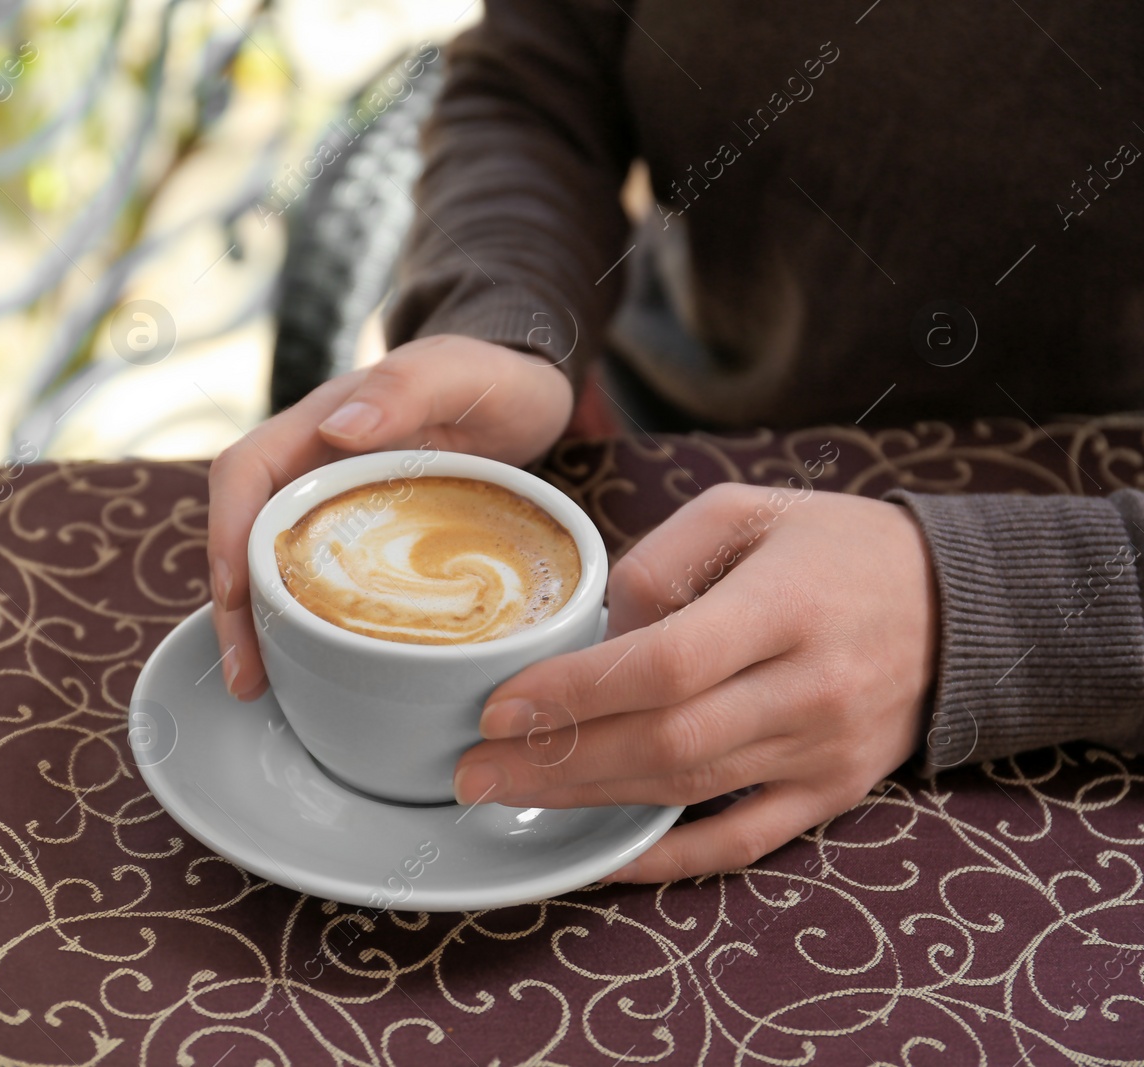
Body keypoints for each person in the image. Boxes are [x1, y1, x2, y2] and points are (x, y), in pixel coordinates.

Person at [207, 0, 1144, 882]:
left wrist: (983, 608)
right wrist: (508, 322)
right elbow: (541, 84)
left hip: (1065, 577)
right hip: (638, 460)